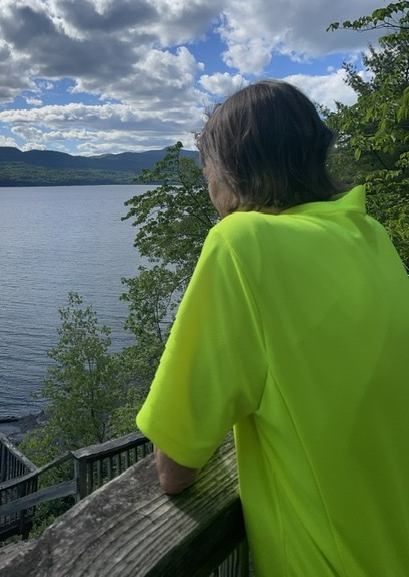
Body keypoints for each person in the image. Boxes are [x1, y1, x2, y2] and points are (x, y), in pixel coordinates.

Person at [136, 79, 409, 576]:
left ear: (231, 169)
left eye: (207, 171)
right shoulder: (370, 235)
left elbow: (174, 465)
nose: (208, 187)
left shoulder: (241, 243)